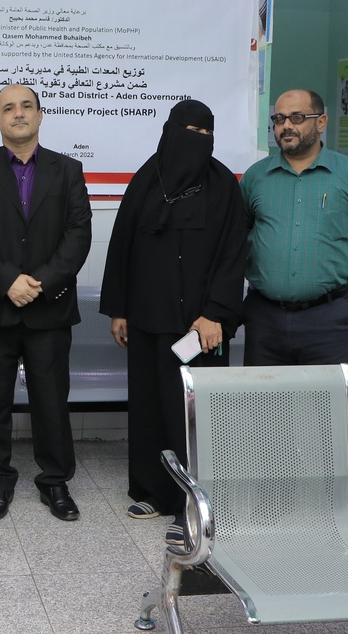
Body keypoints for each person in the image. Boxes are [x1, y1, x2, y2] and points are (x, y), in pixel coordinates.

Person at [100, 99, 247, 545]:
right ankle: (154, 491)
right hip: (147, 318)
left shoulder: (223, 185)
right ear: (168, 131)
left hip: (200, 328)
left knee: (194, 414)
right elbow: (123, 243)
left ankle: (195, 502)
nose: (197, 141)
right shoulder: (147, 179)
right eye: (189, 131)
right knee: (149, 407)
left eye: (206, 134)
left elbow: (233, 253)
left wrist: (217, 312)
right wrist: (120, 308)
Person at [240, 88, 348, 517]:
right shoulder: (256, 177)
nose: (286, 126)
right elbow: (242, 238)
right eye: (279, 119)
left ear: (321, 122)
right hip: (265, 317)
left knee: (343, 414)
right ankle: (273, 506)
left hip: (330, 317)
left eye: (297, 117)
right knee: (265, 416)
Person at [0, 84, 92, 522]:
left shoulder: (68, 170)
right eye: (8, 108)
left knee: (51, 400)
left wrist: (41, 283)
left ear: (40, 115)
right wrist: (8, 281)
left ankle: (55, 483)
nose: (18, 114)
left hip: (49, 307)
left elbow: (78, 234)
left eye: (26, 106)